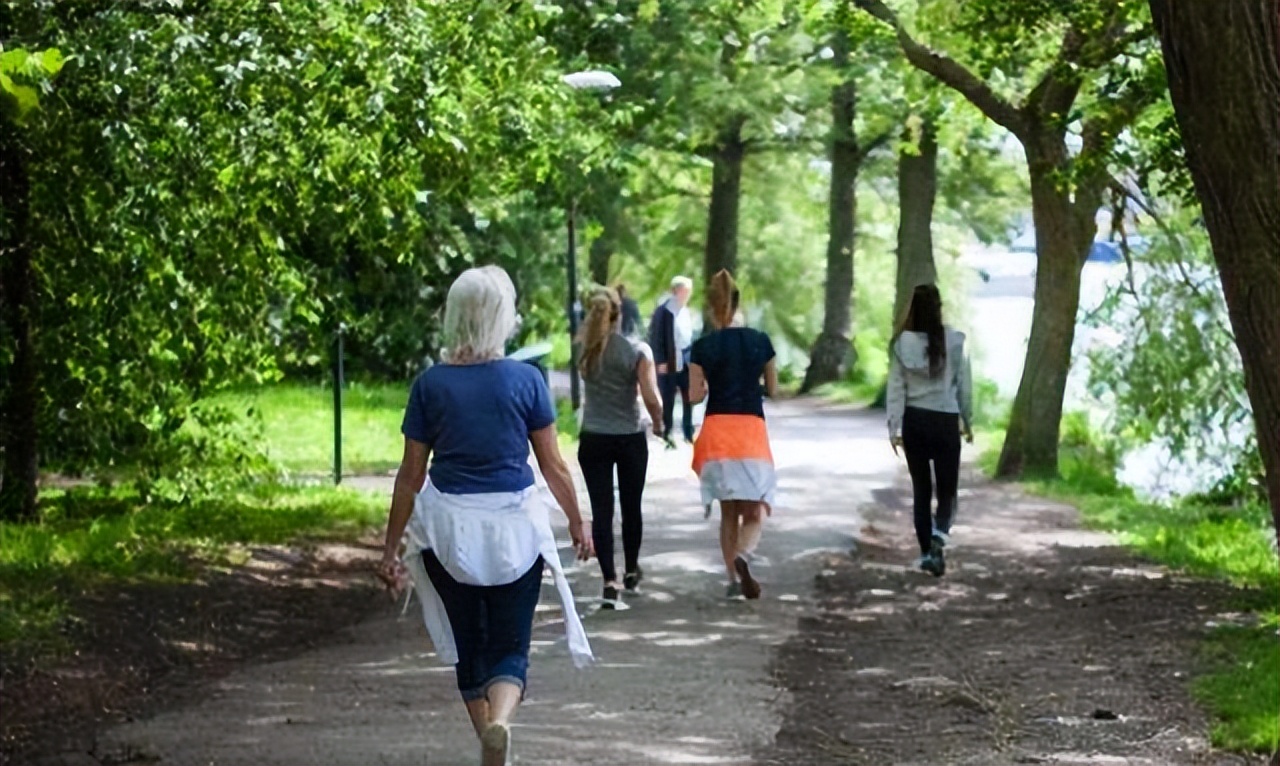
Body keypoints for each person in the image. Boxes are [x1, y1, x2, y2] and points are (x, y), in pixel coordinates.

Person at [376, 266, 594, 766]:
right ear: (503, 319)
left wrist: (390, 551)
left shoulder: (430, 385)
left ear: (454, 317)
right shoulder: (526, 380)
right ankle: (499, 726)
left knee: (469, 647)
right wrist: (578, 525)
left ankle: (490, 745)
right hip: (515, 531)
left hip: (448, 533)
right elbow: (553, 465)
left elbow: (411, 474)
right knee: (510, 646)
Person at [689, 269, 779, 600]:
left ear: (712, 308)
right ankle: (744, 554)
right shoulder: (761, 342)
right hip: (751, 431)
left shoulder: (702, 347)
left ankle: (731, 578)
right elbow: (773, 389)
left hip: (717, 432)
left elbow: (695, 396)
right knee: (756, 509)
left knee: (728, 510)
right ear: (738, 302)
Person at [576, 287, 665, 609]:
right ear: (620, 312)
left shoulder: (584, 348)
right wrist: (659, 423)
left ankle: (609, 582)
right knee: (631, 507)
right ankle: (630, 571)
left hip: (593, 438)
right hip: (629, 436)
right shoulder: (637, 349)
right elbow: (651, 397)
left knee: (602, 511)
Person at [886, 283, 973, 578]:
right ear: (939, 308)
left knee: (922, 491)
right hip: (945, 421)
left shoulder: (901, 344)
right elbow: (964, 386)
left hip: (915, 422)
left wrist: (894, 427)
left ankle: (927, 554)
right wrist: (968, 420)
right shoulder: (955, 341)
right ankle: (939, 536)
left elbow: (896, 389)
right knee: (948, 491)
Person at [648, 275, 696, 445]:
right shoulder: (663, 312)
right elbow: (656, 337)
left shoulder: (687, 312)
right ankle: (666, 431)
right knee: (667, 397)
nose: (687, 294)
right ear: (676, 290)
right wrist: (659, 360)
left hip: (686, 358)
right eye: (685, 290)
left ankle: (688, 431)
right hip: (669, 359)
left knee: (688, 396)